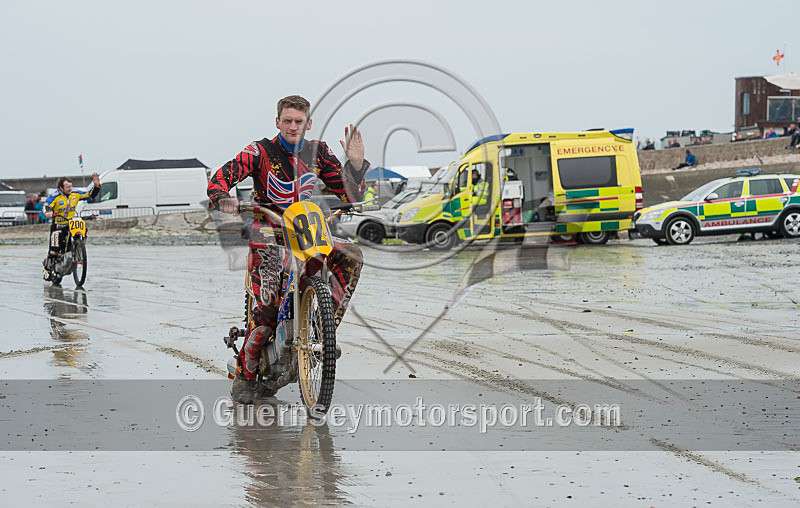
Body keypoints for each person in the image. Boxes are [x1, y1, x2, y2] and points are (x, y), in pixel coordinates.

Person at [207, 95, 370, 404]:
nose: (293, 126)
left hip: (308, 232)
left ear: (308, 123)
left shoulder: (319, 152)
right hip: (268, 234)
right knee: (267, 309)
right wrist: (222, 196)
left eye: (299, 121)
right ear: (277, 122)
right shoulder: (259, 152)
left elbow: (350, 194)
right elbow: (221, 177)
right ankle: (245, 373)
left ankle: (320, 332)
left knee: (352, 256)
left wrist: (357, 165)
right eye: (287, 121)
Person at [42, 174, 101, 280]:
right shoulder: (54, 196)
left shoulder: (75, 193)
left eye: (71, 186)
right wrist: (48, 213)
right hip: (58, 224)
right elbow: (46, 206)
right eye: (67, 187)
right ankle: (48, 269)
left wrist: (96, 186)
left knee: (83, 228)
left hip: (71, 223)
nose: (70, 189)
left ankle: (79, 249)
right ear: (61, 188)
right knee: (54, 249)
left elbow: (90, 196)